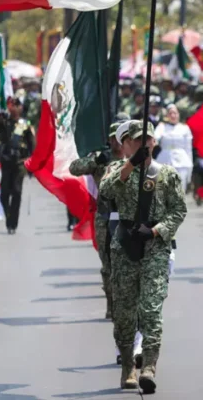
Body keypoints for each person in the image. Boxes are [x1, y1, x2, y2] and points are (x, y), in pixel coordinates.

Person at [100, 120, 187, 393]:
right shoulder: (116, 169)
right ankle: (128, 365)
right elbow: (105, 193)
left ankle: (149, 366)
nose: (143, 145)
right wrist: (129, 165)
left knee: (151, 309)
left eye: (147, 140)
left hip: (155, 247)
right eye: (136, 140)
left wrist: (156, 231)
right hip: (125, 246)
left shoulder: (167, 174)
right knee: (124, 313)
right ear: (125, 144)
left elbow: (179, 210)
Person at [70, 122, 123, 319]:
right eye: (113, 138)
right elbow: (74, 168)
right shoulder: (102, 158)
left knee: (127, 263)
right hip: (105, 216)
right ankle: (111, 304)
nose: (116, 142)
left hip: (128, 217)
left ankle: (126, 303)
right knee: (107, 263)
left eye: (120, 138)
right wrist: (96, 159)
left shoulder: (133, 157)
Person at [0, 94, 34, 234]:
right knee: (4, 194)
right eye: (11, 105)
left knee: (16, 192)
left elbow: (31, 144)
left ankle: (12, 223)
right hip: (6, 161)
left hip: (20, 162)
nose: (14, 107)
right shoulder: (3, 121)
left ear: (20, 107)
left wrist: (32, 164)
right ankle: (8, 215)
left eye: (16, 105)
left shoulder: (25, 125)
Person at [154, 105, 193, 192]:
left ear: (178, 114)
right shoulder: (162, 127)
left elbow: (188, 148)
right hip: (164, 159)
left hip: (181, 161)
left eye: (175, 113)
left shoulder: (185, 128)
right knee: (163, 189)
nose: (173, 115)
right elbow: (155, 138)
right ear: (167, 116)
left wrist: (190, 165)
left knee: (180, 189)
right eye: (170, 113)